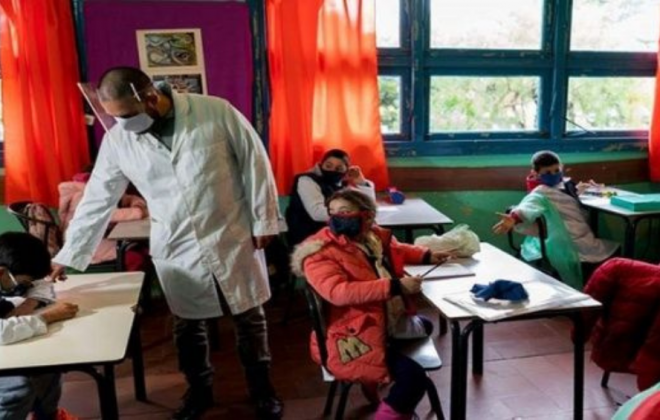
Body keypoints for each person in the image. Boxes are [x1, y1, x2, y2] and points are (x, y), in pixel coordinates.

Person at [51, 67, 284, 420]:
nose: (122, 125)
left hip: (231, 231)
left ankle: (262, 390)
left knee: (249, 317)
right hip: (176, 243)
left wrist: (264, 219)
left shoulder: (214, 111)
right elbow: (98, 198)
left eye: (126, 115)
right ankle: (199, 391)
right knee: (188, 325)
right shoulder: (118, 140)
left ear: (149, 97)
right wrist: (68, 254)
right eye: (114, 117)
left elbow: (256, 164)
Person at [291, 190, 453, 420]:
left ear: (368, 216)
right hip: (352, 333)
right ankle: (383, 401)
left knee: (425, 325)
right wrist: (395, 287)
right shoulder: (320, 251)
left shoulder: (371, 236)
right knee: (414, 379)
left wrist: (427, 255)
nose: (336, 218)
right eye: (333, 212)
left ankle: (373, 377)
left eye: (345, 212)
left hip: (381, 318)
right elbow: (337, 292)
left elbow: (398, 249)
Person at [492, 150, 618, 288]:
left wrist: (583, 190)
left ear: (561, 167)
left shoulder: (565, 184)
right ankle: (596, 287)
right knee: (613, 249)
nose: (554, 175)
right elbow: (528, 206)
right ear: (536, 173)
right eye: (547, 172)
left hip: (578, 232)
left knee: (603, 248)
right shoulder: (541, 191)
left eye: (557, 170)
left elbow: (567, 197)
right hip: (570, 239)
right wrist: (514, 218)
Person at [0, 232, 79, 419]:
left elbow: (42, 284)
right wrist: (46, 318)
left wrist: (31, 302)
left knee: (48, 367)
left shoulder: (9, 271)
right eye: (23, 283)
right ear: (2, 272)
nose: (24, 287)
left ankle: (48, 416)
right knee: (18, 386)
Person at [58, 167, 150, 271]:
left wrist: (137, 206)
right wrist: (138, 212)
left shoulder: (105, 189)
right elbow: (108, 215)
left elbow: (129, 199)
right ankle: (132, 279)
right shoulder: (82, 196)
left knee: (145, 250)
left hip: (102, 238)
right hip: (85, 245)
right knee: (135, 257)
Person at [285, 149, 376, 246]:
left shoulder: (343, 184)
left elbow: (369, 207)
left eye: (339, 168)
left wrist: (361, 183)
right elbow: (317, 213)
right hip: (308, 237)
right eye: (328, 166)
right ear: (321, 165)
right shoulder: (307, 180)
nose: (333, 170)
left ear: (346, 170)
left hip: (337, 235)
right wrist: (353, 214)